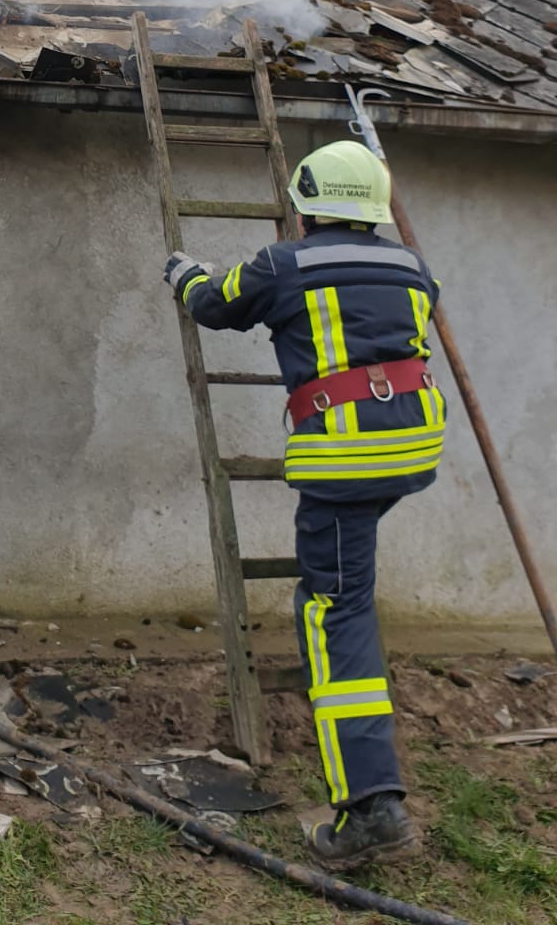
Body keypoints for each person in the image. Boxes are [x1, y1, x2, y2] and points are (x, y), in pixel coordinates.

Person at [163, 139, 445, 869]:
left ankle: (373, 810)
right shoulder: (413, 265)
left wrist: (184, 273)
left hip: (346, 459)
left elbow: (214, 306)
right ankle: (371, 790)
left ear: (306, 206)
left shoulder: (282, 264)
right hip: (412, 451)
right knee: (351, 587)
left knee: (335, 610)